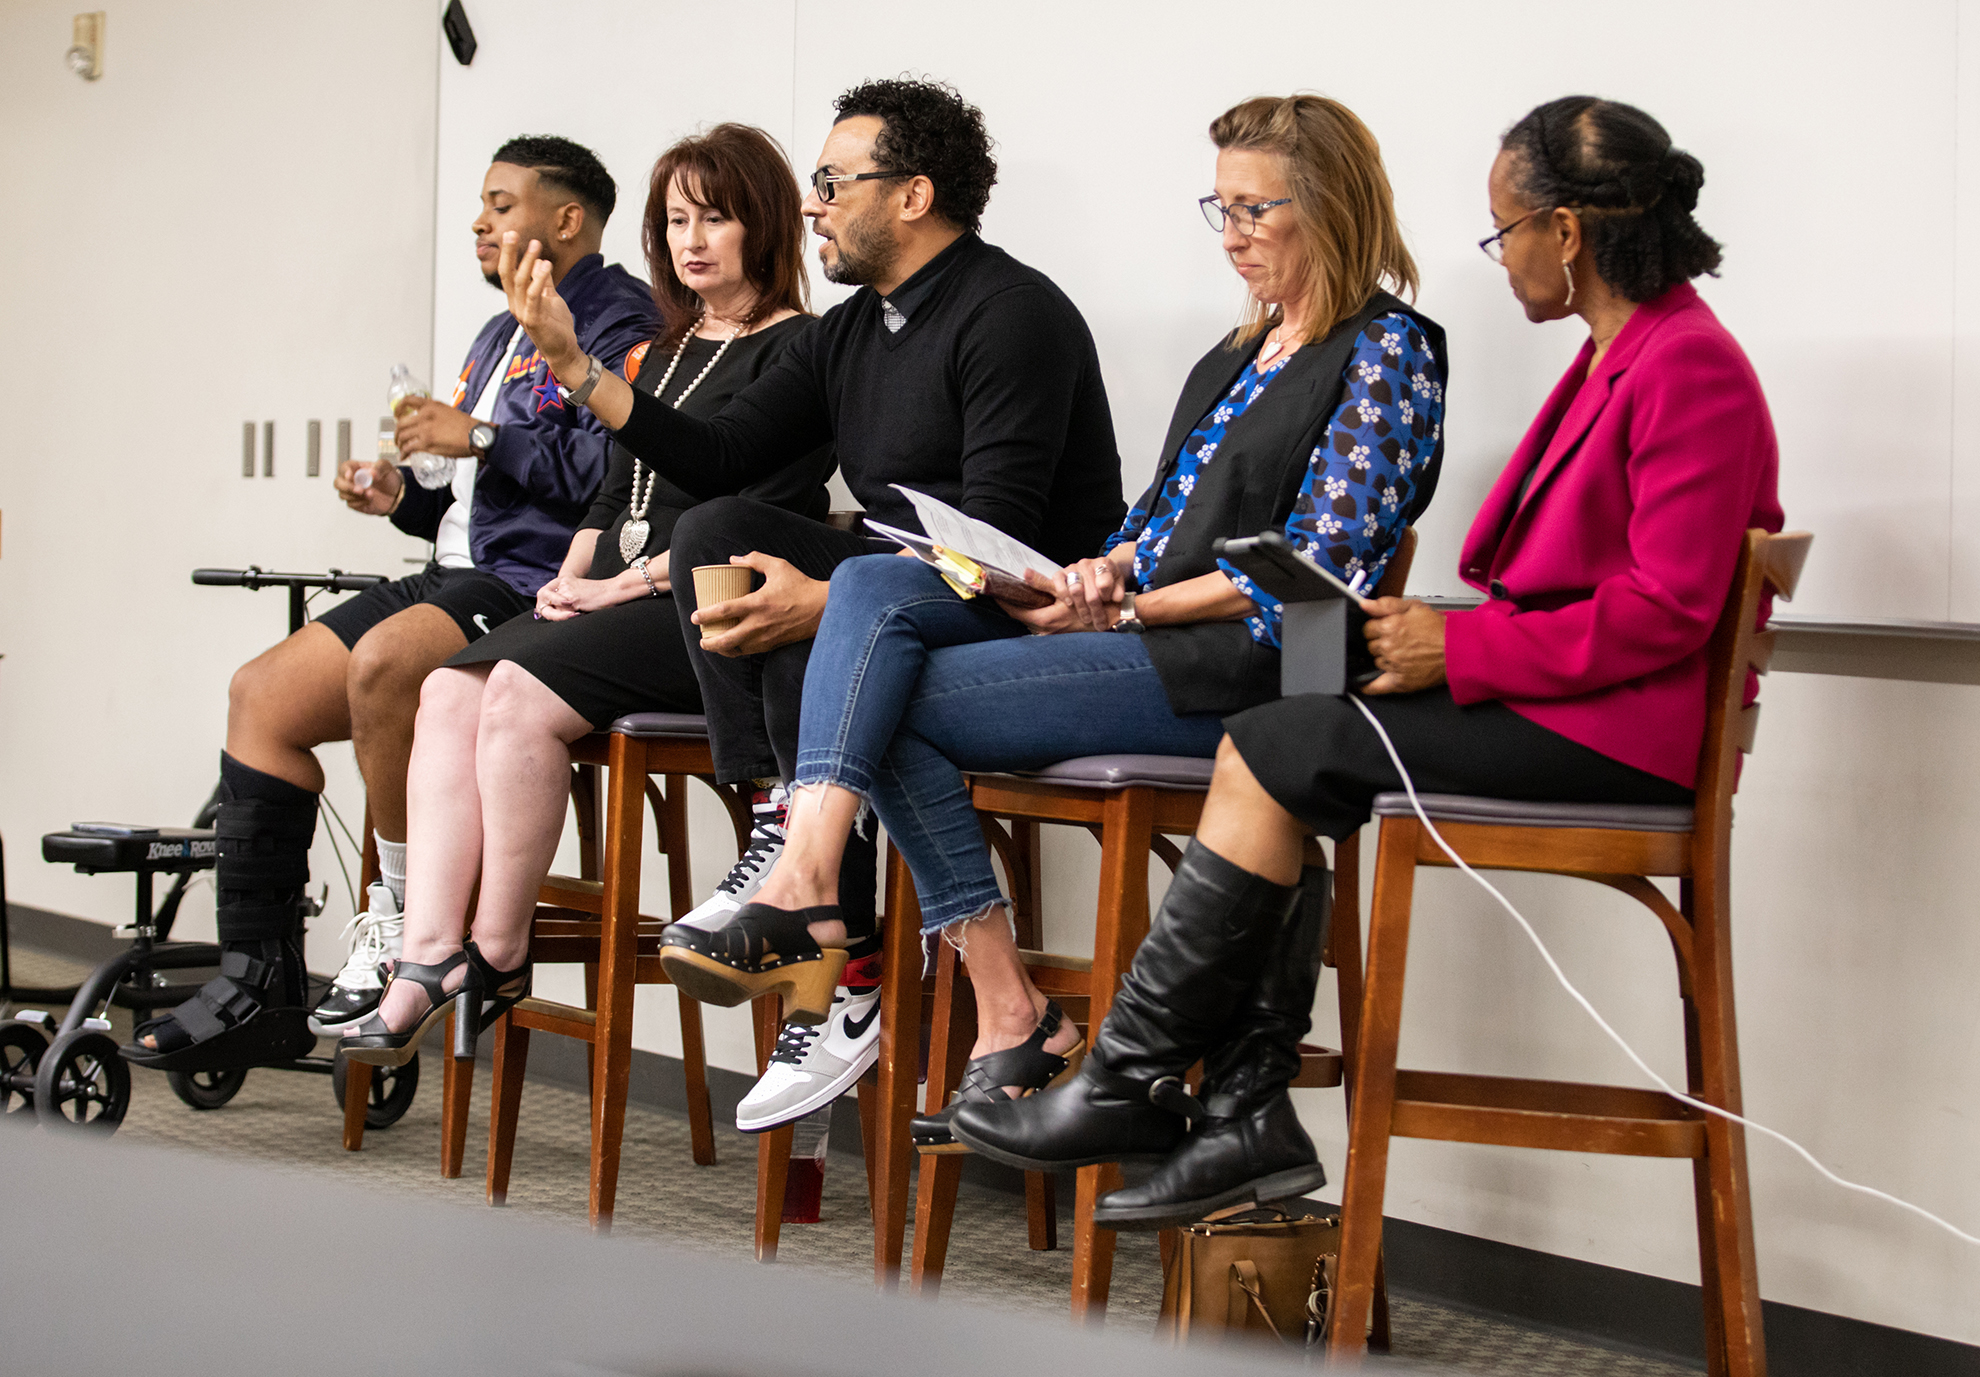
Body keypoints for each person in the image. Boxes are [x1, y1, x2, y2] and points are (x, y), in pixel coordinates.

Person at [949, 95, 1784, 1230]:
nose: (1501, 262)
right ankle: (1231, 1105)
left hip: (1620, 736)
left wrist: (1459, 645)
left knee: (1288, 732)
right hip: (1572, 698)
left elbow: (1670, 608)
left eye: (1505, 234)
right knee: (1296, 722)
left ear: (1569, 234)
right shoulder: (1622, 355)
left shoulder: (1687, 367)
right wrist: (1428, 646)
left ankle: (1137, 1079)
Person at [665, 94, 1447, 1141]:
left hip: (1269, 674)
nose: (1231, 238)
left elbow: (1321, 562)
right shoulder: (1235, 355)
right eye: (1218, 210)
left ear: (1330, 205)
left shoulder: (1389, 348)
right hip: (1157, 640)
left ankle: (843, 897)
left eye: (1255, 212)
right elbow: (1156, 523)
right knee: (870, 613)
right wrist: (1097, 574)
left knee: (869, 665)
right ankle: (997, 1002)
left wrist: (1129, 603)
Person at [500, 78, 1125, 1131]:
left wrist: (826, 592)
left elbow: (998, 538)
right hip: (894, 597)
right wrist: (574, 364)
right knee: (718, 532)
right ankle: (795, 857)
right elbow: (724, 454)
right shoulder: (852, 334)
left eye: (834, 182)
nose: (816, 205)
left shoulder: (1012, 316)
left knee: (849, 599)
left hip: (1015, 608)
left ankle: (817, 905)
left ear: (915, 195)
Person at [123, 137, 656, 1070]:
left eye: (502, 203)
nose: (482, 222)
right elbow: (473, 492)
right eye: (481, 206)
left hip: (534, 588)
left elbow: (612, 478)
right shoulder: (497, 332)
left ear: (566, 219)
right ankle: (260, 984)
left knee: (382, 665)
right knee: (261, 697)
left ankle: (407, 922)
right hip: (453, 571)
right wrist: (402, 497)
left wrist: (482, 436)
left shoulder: (620, 320)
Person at [339, 125, 831, 1062]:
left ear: (762, 224)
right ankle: (429, 955)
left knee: (516, 697)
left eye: (715, 218)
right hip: (616, 600)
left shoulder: (800, 350)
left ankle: (498, 947)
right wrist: (569, 583)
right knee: (446, 688)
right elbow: (614, 493)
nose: (692, 240)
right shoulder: (671, 345)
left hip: (709, 613)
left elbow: (741, 507)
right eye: (677, 219)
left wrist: (617, 589)